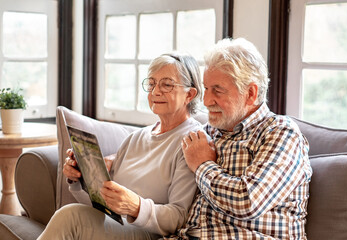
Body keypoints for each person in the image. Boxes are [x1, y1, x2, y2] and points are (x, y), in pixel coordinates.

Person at [37, 52, 204, 240]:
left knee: (70, 217)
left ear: (189, 94)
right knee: (71, 215)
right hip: (115, 227)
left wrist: (136, 207)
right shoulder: (135, 138)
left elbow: (179, 217)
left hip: (149, 234)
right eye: (151, 83)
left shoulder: (191, 142)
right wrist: (80, 177)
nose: (156, 91)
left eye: (166, 84)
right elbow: (102, 208)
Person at [177, 38, 312, 239]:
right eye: (206, 88)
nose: (206, 101)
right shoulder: (209, 132)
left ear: (250, 93)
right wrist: (118, 160)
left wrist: (203, 164)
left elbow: (248, 201)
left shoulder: (281, 133)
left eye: (218, 90)